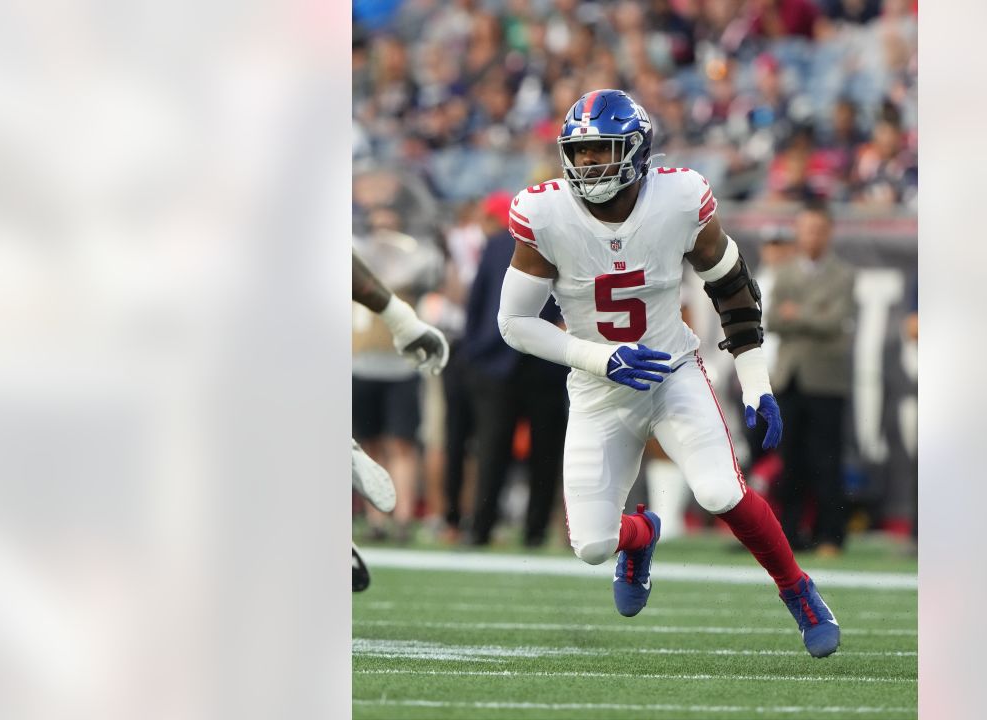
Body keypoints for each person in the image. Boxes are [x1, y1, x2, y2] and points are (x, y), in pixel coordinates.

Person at [496, 89, 839, 657]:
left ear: (634, 150)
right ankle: (642, 535)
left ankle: (798, 590)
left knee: (719, 490)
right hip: (597, 386)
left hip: (670, 370)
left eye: (601, 150)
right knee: (590, 546)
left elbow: (733, 287)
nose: (587, 164)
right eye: (579, 153)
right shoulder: (544, 214)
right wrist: (602, 358)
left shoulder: (679, 197)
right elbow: (514, 322)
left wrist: (757, 383)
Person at [464, 191, 568, 547]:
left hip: (547, 360)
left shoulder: (566, 241)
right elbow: (478, 299)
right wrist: (476, 351)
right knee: (492, 448)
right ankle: (481, 526)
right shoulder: (496, 244)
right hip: (499, 361)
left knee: (546, 450)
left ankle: (535, 530)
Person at [350, 249, 450, 590]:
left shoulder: (413, 250)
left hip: (397, 367)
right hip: (360, 362)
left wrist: (401, 319)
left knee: (400, 443)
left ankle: (401, 519)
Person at [767, 202, 856, 557]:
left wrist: (797, 314)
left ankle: (832, 535)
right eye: (806, 229)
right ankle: (789, 533)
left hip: (826, 379)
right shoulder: (784, 271)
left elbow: (834, 321)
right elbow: (773, 318)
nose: (812, 236)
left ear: (829, 232)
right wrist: (812, 314)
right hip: (789, 377)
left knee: (828, 460)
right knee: (790, 461)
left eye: (818, 229)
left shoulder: (844, 274)